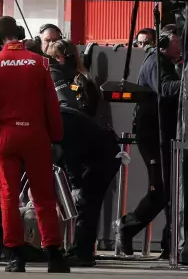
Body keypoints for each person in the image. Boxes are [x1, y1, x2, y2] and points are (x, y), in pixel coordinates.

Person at [0, 16, 69, 273]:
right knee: (44, 197)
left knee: (8, 197)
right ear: (19, 32)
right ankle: (54, 255)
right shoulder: (40, 63)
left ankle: (16, 257)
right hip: (36, 136)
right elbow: (52, 105)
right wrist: (57, 138)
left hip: (6, 138)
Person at [118, 23, 184, 260]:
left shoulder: (170, 64)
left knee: (172, 192)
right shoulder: (156, 62)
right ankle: (127, 226)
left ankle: (170, 244)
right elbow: (165, 89)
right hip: (153, 134)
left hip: (165, 133)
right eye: (179, 41)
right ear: (167, 41)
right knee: (161, 191)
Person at [58, 106, 121, 266]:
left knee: (87, 204)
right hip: (100, 155)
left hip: (103, 158)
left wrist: (76, 185)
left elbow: (71, 153)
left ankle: (83, 254)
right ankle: (79, 248)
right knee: (87, 204)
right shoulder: (62, 115)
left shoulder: (62, 119)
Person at [45, 39, 101, 119]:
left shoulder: (82, 79)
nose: (54, 61)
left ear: (70, 58)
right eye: (52, 57)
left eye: (57, 57)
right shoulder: (52, 74)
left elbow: (69, 106)